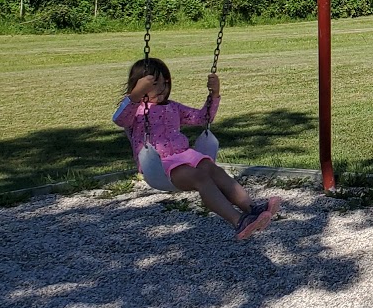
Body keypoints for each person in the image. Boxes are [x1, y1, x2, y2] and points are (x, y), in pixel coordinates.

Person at [112, 57, 279, 240]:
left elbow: (203, 117)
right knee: (201, 178)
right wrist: (136, 95)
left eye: (165, 83)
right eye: (153, 84)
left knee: (214, 170)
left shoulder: (173, 107)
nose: (161, 88)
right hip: (159, 164)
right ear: (138, 85)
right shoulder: (136, 111)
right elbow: (119, 119)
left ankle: (252, 209)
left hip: (186, 156)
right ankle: (239, 221)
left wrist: (214, 94)